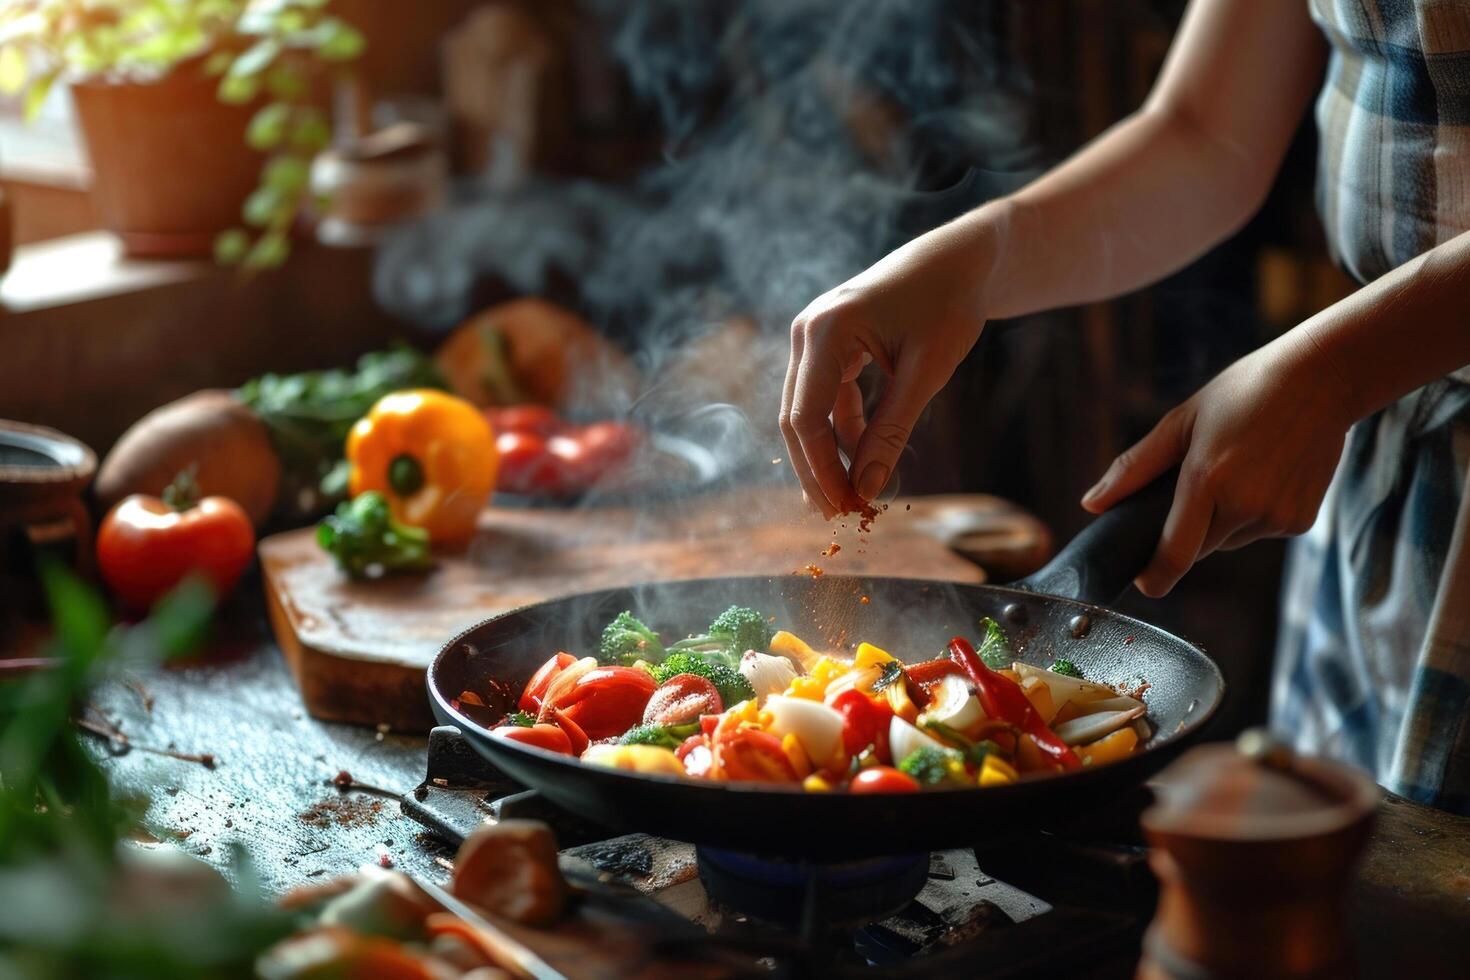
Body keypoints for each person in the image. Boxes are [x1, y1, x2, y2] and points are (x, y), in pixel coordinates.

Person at [779, 0, 1470, 812]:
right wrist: (968, 262)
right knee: (1352, 894)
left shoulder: (1344, 375)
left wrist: (1338, 373)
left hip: (1372, 386)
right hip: (1393, 481)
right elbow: (1203, 134)